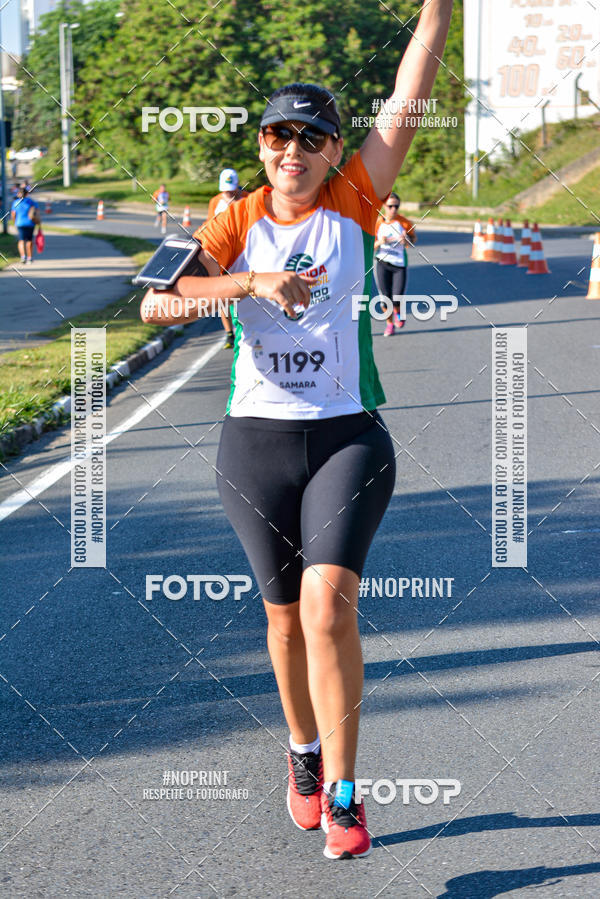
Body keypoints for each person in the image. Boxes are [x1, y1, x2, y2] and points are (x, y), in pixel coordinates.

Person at [140, 0, 453, 860]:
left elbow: (411, 82)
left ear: (333, 151)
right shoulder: (235, 221)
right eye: (280, 135)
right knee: (282, 622)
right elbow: (156, 299)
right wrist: (250, 283)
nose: (294, 151)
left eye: (312, 138)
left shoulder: (357, 198)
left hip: (348, 438)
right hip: (256, 446)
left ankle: (348, 792)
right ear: (263, 146)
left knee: (327, 606)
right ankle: (304, 753)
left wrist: (436, 11)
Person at [207, 169, 248, 349]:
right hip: (223, 254)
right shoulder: (215, 202)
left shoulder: (247, 198)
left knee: (245, 291)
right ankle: (229, 333)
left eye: (232, 191)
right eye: (226, 191)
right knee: (224, 295)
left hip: (245, 252)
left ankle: (247, 328)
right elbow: (210, 227)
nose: (229, 194)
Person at [374, 192, 417, 335]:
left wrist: (406, 240)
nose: (393, 209)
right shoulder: (377, 223)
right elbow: (369, 246)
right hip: (382, 262)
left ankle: (399, 312)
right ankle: (389, 324)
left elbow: (413, 241)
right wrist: (380, 242)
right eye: (390, 206)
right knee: (385, 297)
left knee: (397, 297)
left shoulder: (403, 222)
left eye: (396, 206)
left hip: (399, 264)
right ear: (384, 206)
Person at [11, 187, 40, 264]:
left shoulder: (15, 202)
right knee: (29, 240)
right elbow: (36, 212)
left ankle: (23, 257)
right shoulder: (31, 202)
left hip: (19, 223)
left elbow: (13, 214)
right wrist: (38, 221)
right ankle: (30, 258)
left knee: (21, 240)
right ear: (27, 194)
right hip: (30, 223)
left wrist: (15, 222)